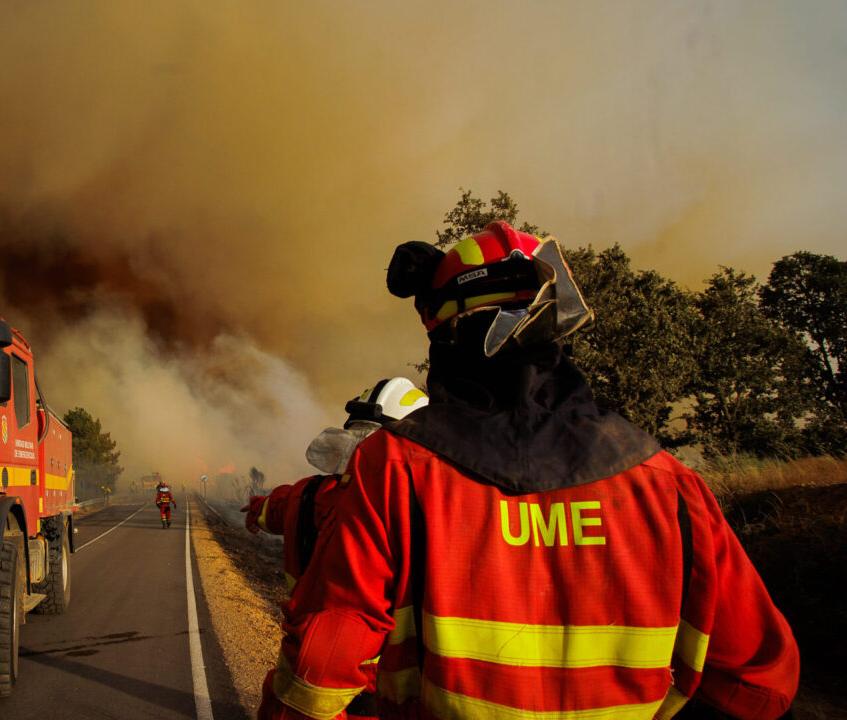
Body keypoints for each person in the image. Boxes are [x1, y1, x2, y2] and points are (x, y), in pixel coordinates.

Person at [259, 222, 799, 720]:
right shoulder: (667, 482)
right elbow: (761, 683)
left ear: (446, 337)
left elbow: (321, 664)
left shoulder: (398, 467)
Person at [244, 377, 428, 720]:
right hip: (373, 693)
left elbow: (274, 509)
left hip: (310, 676)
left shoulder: (306, 495)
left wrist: (255, 511)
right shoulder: (422, 517)